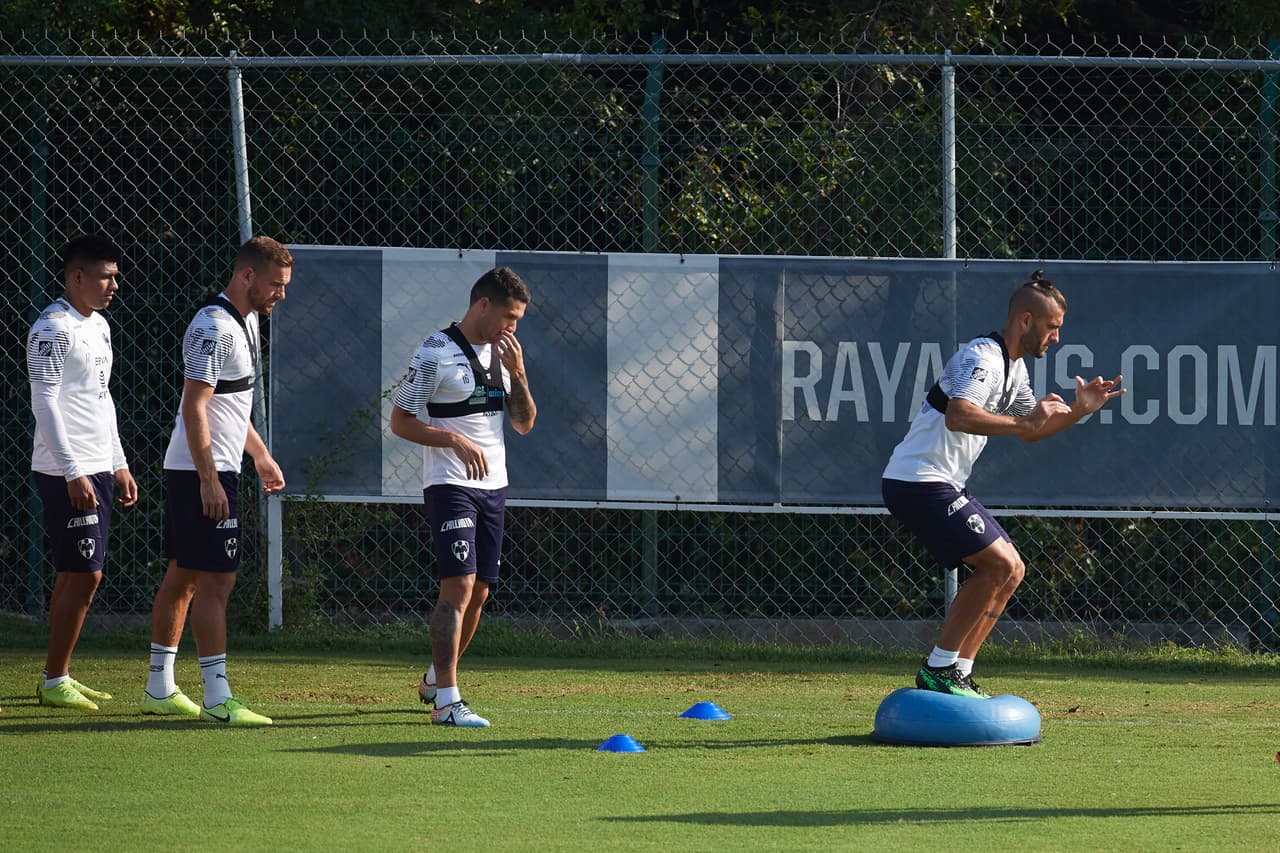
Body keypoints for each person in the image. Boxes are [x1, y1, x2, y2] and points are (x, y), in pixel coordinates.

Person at [882, 270, 1124, 698]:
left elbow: (1031, 430)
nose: (1056, 338)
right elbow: (959, 415)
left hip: (942, 483)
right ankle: (939, 668)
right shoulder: (984, 358)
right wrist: (1024, 421)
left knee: (1012, 570)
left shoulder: (1015, 370)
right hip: (918, 480)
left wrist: (1079, 410)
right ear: (1026, 320)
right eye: (1052, 328)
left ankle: (957, 670)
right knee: (998, 565)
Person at [141, 236, 292, 726]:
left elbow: (232, 403)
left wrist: (261, 456)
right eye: (275, 285)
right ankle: (215, 695)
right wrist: (209, 480)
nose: (281, 295)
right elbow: (194, 404)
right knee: (217, 580)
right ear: (247, 276)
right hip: (201, 471)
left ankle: (159, 687)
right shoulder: (214, 325)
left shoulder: (246, 321)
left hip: (217, 466)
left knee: (184, 576)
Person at [390, 267, 537, 727]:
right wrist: (452, 440)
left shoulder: (504, 354)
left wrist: (520, 374)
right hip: (450, 484)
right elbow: (400, 421)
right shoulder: (435, 352)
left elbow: (524, 422)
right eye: (509, 316)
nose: (513, 326)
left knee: (480, 592)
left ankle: (437, 676)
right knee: (457, 587)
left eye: (519, 319)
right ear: (482, 306)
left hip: (494, 485)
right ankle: (447, 703)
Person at [26, 234, 139, 711]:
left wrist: (118, 462)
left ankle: (59, 674)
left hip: (97, 467)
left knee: (78, 573)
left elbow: (101, 395)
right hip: (65, 469)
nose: (115, 284)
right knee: (85, 574)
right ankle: (55, 680)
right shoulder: (52, 328)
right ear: (76, 277)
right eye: (106, 276)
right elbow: (44, 403)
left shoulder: (99, 326)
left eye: (114, 275)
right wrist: (72, 471)